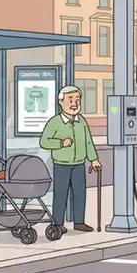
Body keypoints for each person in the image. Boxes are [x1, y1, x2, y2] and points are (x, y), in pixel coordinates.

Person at [39, 85, 102, 233]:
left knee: (80, 193)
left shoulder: (82, 122)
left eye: (77, 99)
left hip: (79, 164)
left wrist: (93, 159)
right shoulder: (55, 122)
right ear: (61, 102)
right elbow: (44, 141)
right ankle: (58, 223)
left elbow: (88, 142)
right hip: (61, 165)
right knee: (61, 194)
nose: (75, 103)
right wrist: (60, 143)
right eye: (70, 99)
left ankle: (79, 221)